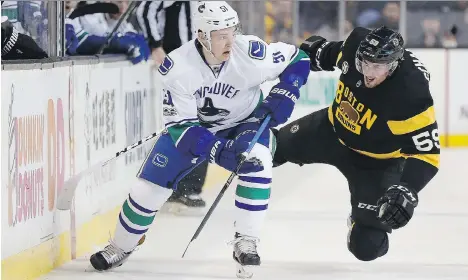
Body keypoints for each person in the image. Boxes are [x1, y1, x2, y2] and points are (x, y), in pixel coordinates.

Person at [89, 1, 310, 278]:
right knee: (147, 190)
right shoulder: (178, 67)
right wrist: (217, 151)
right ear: (202, 36)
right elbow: (182, 128)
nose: (230, 40)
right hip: (195, 130)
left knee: (258, 161)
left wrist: (287, 91)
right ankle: (121, 246)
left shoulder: (252, 52)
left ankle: (246, 240)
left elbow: (298, 58)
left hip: (244, 122)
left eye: (232, 31)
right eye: (221, 35)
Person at [272, 26, 440, 261]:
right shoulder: (356, 46)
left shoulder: (411, 93)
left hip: (377, 164)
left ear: (393, 65)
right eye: (364, 63)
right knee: (269, 149)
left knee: (368, 246)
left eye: (378, 66)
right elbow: (332, 53)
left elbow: (427, 154)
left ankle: (359, 222)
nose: (368, 73)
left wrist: (407, 188)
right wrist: (314, 53)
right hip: (329, 130)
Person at [135, 1, 210, 211]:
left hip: (204, 65)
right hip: (178, 64)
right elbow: (145, 10)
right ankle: (174, 185)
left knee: (203, 122)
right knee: (181, 123)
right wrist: (156, 45)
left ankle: (189, 186)